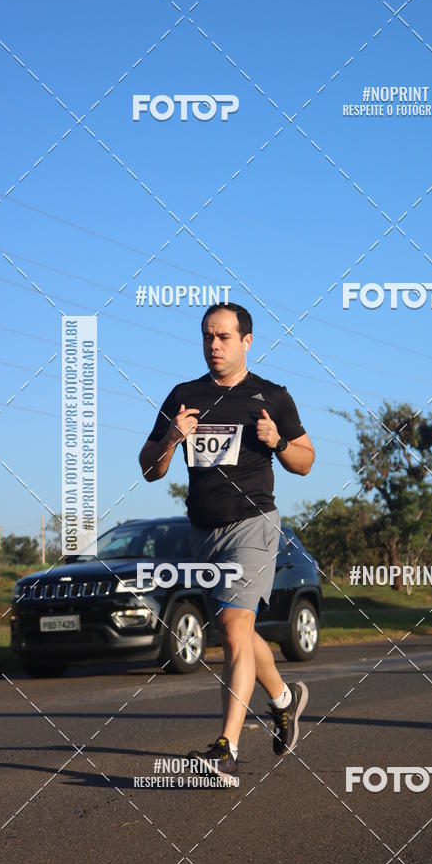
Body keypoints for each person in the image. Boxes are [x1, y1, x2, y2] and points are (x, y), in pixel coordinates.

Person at [139, 302, 315, 786]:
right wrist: (172, 439)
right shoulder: (184, 395)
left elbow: (306, 461)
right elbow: (149, 468)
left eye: (223, 337)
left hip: (253, 524)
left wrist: (279, 442)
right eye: (207, 337)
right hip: (202, 531)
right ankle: (283, 700)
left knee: (237, 625)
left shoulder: (271, 396)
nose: (214, 345)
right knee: (234, 631)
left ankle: (226, 750)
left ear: (246, 341)